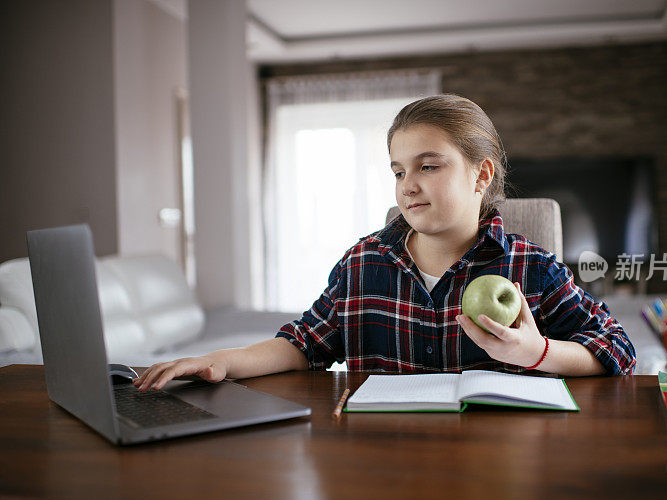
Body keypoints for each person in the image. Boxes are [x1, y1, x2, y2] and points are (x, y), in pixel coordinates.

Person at [134, 94, 635, 392]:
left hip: (496, 463)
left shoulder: (531, 268)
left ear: (481, 174)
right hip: (382, 458)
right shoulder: (363, 262)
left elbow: (618, 348)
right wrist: (222, 358)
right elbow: (304, 343)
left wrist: (537, 352)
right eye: (399, 170)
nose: (408, 185)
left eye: (429, 165)